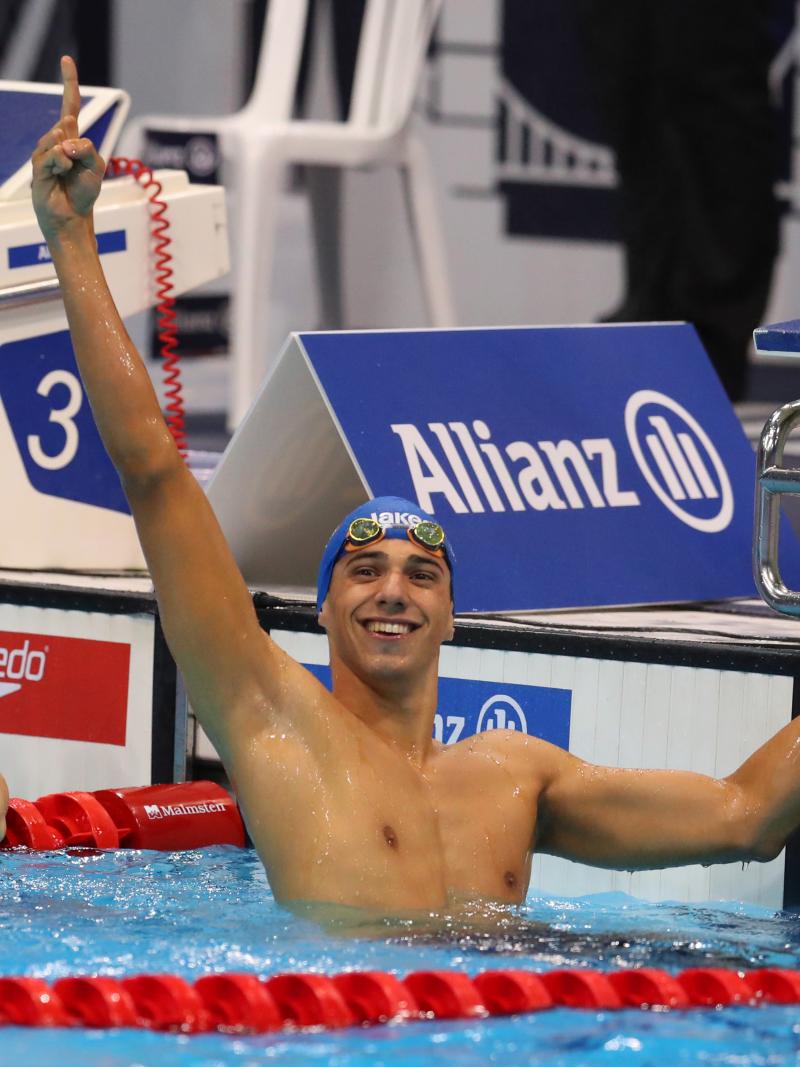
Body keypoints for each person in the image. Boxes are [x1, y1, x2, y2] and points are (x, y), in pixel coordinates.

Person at [28, 56, 800, 916]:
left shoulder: (517, 773)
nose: (393, 588)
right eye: (364, 570)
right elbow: (153, 467)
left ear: (452, 614)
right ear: (320, 608)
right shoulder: (275, 717)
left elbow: (747, 814)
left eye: (421, 574)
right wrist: (72, 241)